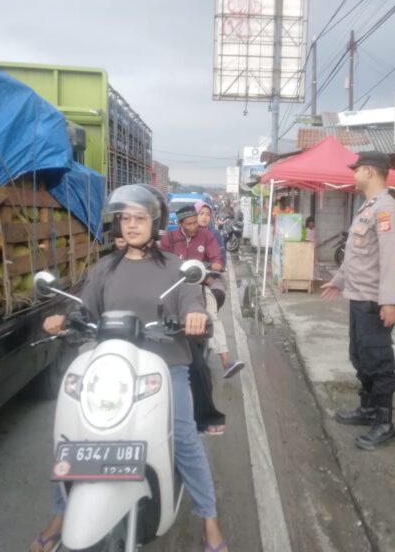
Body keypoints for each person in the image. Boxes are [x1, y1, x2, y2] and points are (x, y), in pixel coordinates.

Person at [30, 185, 228, 552]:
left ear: (155, 223)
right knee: (74, 437)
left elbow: (191, 300)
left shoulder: (175, 268)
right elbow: (84, 310)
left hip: (165, 367)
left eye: (139, 218)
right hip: (112, 370)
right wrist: (63, 320)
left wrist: (195, 315)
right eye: (125, 218)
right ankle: (60, 514)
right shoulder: (105, 268)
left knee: (184, 436)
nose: (131, 224)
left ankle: (209, 518)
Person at [321, 151, 395, 450]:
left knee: (379, 361)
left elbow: (391, 259)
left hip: (373, 300)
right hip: (358, 297)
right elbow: (354, 256)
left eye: (356, 170)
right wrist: (339, 281)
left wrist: (390, 301)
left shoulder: (386, 210)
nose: (353, 175)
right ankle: (368, 409)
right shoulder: (367, 208)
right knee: (360, 356)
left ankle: (385, 423)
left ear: (369, 171)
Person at [160, 205, 227, 435]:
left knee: (210, 318)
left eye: (194, 223)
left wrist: (213, 265)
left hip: (200, 282)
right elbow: (162, 263)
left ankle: (207, 415)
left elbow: (217, 259)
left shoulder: (207, 236)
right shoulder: (169, 239)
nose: (192, 227)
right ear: (179, 224)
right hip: (172, 288)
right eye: (188, 224)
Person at [195, 200, 245, 379]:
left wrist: (214, 269)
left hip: (208, 280)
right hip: (184, 282)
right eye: (201, 214)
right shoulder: (181, 235)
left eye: (207, 214)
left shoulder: (213, 234)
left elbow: (220, 258)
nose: (204, 217)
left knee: (213, 316)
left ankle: (226, 362)